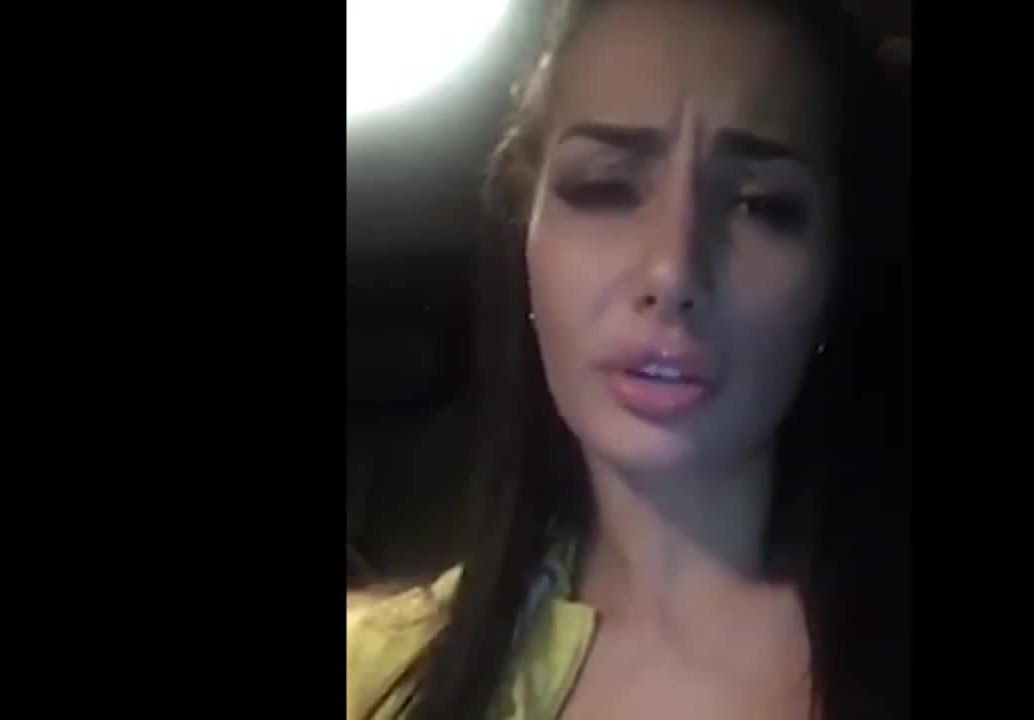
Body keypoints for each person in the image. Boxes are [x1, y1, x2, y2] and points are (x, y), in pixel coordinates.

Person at [346, 0, 911, 718]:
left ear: (835, 267)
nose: (671, 272)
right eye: (604, 187)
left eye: (760, 205)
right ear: (527, 237)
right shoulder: (377, 678)